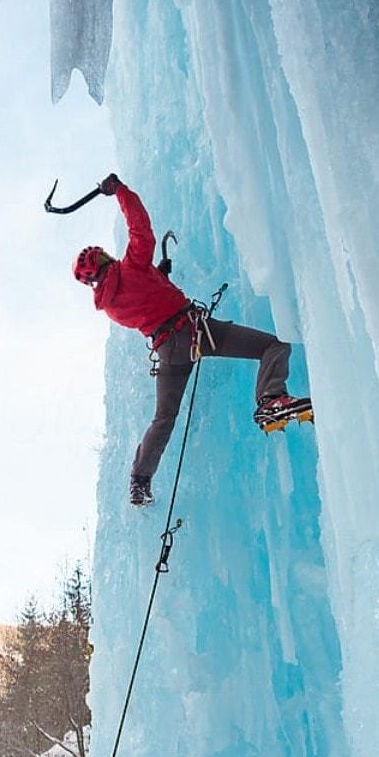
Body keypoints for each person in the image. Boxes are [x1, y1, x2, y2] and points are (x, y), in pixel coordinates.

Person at [72, 174, 311, 507]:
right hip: (196, 332)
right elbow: (141, 229)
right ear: (102, 259)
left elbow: (146, 303)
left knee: (164, 418)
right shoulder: (131, 268)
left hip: (169, 351)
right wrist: (120, 192)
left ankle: (139, 481)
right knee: (273, 346)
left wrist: (160, 276)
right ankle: (271, 399)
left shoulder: (110, 306)